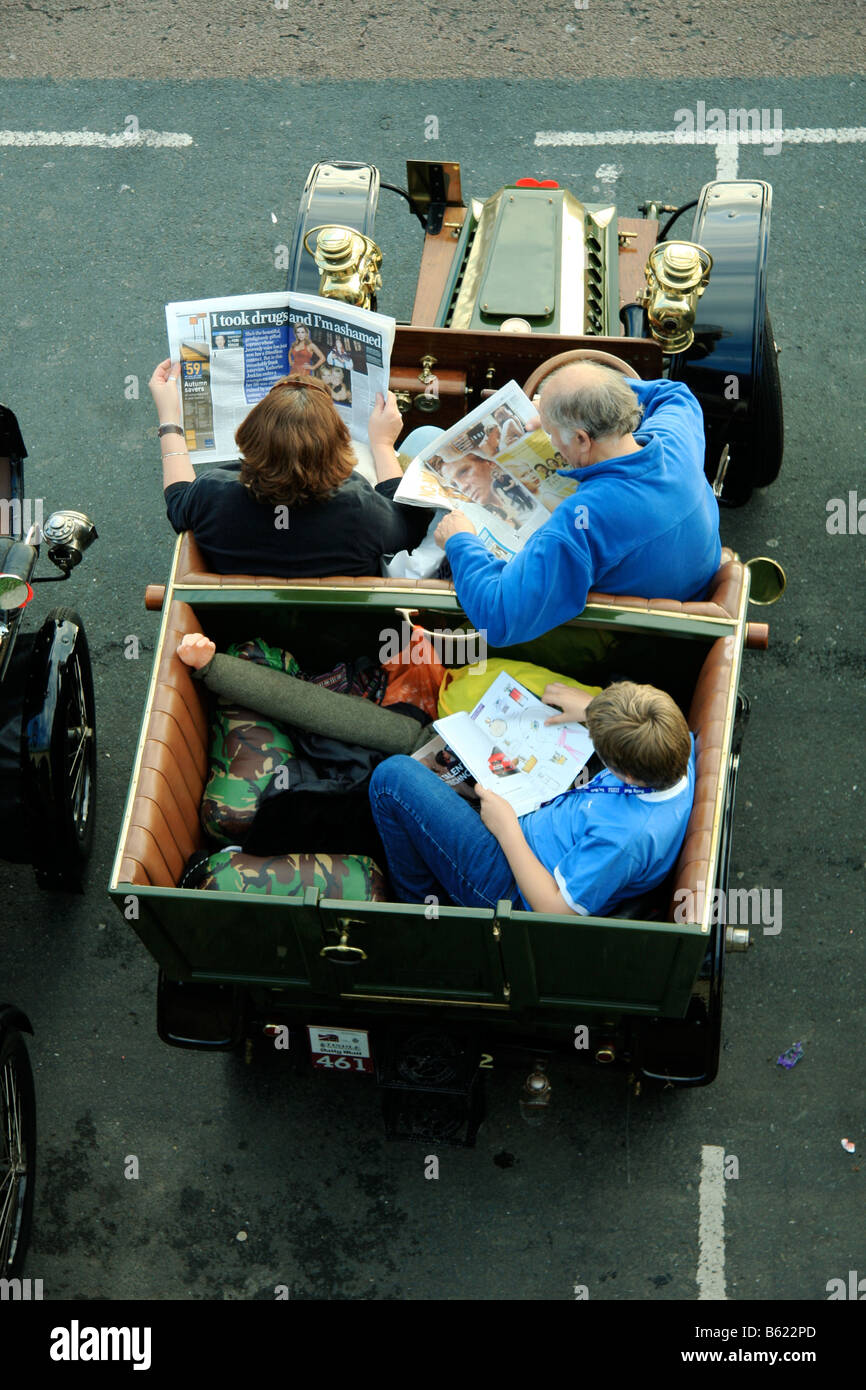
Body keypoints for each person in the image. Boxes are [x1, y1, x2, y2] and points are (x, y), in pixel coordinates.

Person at [434, 363, 722, 646]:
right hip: (689, 601)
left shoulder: (582, 520)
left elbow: (498, 619)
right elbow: (674, 393)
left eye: (551, 431)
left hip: (632, 640)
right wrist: (579, 403)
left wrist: (460, 541)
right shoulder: (676, 439)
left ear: (582, 439)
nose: (551, 439)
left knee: (458, 636)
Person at [369, 680, 695, 917]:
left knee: (392, 779)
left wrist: (506, 828)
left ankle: (423, 914)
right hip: (539, 818)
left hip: (512, 885)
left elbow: (555, 911)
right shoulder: (679, 747)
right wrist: (594, 711)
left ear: (630, 776)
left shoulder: (623, 841)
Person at [151, 361, 434, 577]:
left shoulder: (213, 495)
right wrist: (383, 445)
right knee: (427, 437)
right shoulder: (362, 510)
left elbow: (177, 498)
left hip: (241, 632)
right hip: (341, 639)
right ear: (337, 446)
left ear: (251, 436)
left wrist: (169, 418)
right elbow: (413, 526)